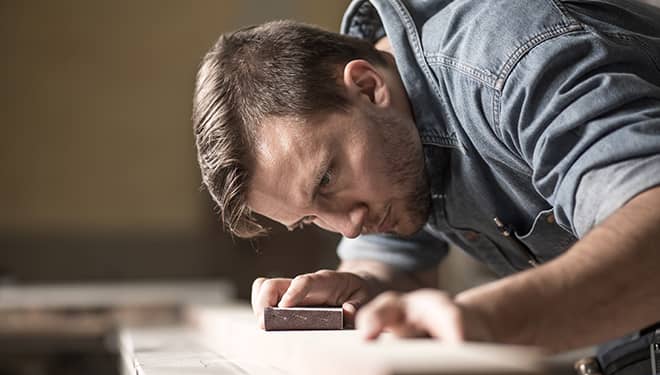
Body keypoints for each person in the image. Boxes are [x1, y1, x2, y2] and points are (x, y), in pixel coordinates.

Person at [192, 0, 660, 353]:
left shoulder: (511, 62)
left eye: (327, 182)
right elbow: (394, 262)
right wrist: (363, 288)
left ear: (367, 88)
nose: (348, 225)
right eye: (310, 219)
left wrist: (486, 321)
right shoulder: (394, 131)